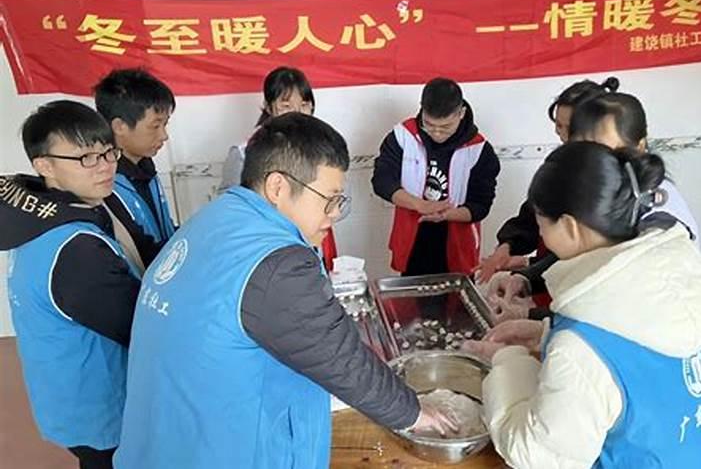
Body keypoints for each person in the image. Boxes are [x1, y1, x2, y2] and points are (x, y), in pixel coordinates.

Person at [114, 113, 456, 469]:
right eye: (330, 199)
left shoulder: (214, 217)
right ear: (278, 187)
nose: (335, 214)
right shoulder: (278, 262)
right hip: (224, 450)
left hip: (167, 442)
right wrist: (413, 412)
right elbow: (341, 359)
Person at [480, 142, 701, 468]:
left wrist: (508, 361)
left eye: (542, 226)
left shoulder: (581, 348)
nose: (541, 235)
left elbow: (537, 455)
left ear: (569, 226)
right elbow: (638, 353)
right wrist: (546, 333)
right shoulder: (683, 275)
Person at [0, 101, 142, 469]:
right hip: (102, 407)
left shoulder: (35, 218)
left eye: (108, 151)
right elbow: (140, 326)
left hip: (68, 394)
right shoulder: (74, 248)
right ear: (44, 165)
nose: (106, 165)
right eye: (86, 158)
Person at [489, 91, 701, 322]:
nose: (590, 159)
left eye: (603, 149)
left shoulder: (657, 224)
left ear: (638, 146)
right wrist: (527, 278)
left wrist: (532, 317)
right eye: (581, 145)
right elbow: (579, 248)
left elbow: (612, 307)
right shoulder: (599, 186)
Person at [475, 77, 619, 283]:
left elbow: (582, 258)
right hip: (548, 280)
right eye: (558, 125)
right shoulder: (563, 164)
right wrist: (508, 247)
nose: (559, 133)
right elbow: (533, 214)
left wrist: (529, 271)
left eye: (566, 127)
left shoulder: (607, 180)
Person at [371, 77, 500, 275]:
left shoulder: (479, 150)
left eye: (445, 127)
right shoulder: (403, 136)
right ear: (422, 110)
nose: (437, 133)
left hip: (457, 240)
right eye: (429, 125)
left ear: (461, 113)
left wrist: (446, 214)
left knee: (456, 300)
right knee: (409, 298)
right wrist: (419, 204)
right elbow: (382, 181)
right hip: (413, 236)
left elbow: (481, 205)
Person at [218, 66, 340, 270]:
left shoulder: (325, 151)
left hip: (314, 243)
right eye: (286, 105)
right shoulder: (242, 154)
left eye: (304, 104)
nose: (297, 113)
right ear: (268, 107)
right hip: (267, 251)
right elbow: (229, 211)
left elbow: (342, 204)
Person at [94, 68, 177, 250]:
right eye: (155, 126)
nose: (164, 135)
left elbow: (165, 231)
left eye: (165, 124)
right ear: (119, 126)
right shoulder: (105, 185)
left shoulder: (146, 168)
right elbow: (140, 251)